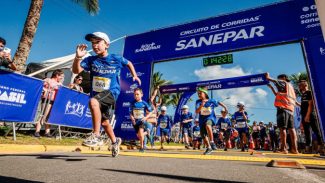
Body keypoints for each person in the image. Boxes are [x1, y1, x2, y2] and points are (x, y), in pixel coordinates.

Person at [72, 32, 141, 157]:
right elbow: (76, 71)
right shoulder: (90, 60)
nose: (95, 45)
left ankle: (96, 135)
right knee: (104, 122)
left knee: (93, 102)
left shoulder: (116, 58)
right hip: (98, 95)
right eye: (93, 43)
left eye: (98, 42)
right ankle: (115, 141)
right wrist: (77, 57)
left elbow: (129, 63)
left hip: (112, 92)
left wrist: (134, 75)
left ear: (107, 44)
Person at [266, 73, 299, 154]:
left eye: (280, 79)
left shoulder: (284, 83)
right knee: (291, 129)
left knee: (282, 128)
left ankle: (283, 149)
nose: (279, 80)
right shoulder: (290, 88)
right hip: (290, 110)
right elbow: (278, 94)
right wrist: (271, 88)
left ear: (284, 78)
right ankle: (295, 149)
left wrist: (268, 77)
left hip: (282, 108)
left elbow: (274, 81)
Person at [195, 86, 228, 155]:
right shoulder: (198, 102)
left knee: (208, 125)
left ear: (205, 94)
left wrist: (225, 107)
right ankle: (209, 148)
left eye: (200, 93)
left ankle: (212, 142)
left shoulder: (211, 100)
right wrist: (202, 105)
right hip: (202, 120)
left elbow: (218, 102)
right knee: (203, 135)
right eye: (198, 94)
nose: (199, 95)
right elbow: (197, 111)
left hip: (210, 118)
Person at [34, 69, 64, 138]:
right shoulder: (48, 80)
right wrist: (47, 90)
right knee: (43, 115)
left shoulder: (60, 84)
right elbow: (40, 87)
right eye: (61, 76)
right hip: (47, 100)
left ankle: (47, 132)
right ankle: (37, 131)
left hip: (55, 102)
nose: (62, 78)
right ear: (57, 75)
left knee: (49, 117)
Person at [298, 80, 324, 154]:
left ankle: (321, 148)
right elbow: (303, 105)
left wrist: (308, 115)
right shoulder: (303, 95)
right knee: (307, 132)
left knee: (316, 130)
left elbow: (310, 104)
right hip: (304, 115)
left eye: (301, 84)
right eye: (299, 84)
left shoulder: (309, 92)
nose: (299, 86)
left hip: (311, 115)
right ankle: (308, 149)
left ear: (305, 85)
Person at [129, 88, 153, 152]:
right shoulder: (132, 103)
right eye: (135, 94)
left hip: (141, 121)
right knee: (138, 135)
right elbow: (130, 113)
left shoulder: (144, 103)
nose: (136, 96)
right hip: (135, 122)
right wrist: (132, 118)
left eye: (137, 94)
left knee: (141, 134)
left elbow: (151, 112)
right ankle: (146, 133)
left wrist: (146, 117)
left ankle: (141, 147)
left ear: (141, 95)